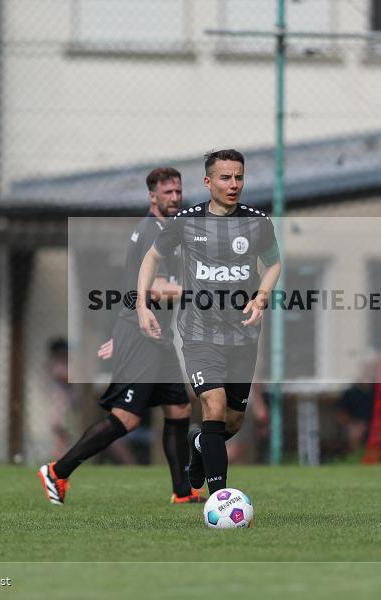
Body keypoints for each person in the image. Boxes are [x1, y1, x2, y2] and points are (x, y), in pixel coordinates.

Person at [39, 167, 204, 505]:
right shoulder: (149, 233)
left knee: (178, 410)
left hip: (152, 336)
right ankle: (58, 471)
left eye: (178, 192)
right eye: (167, 193)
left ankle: (182, 492)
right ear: (152, 196)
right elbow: (154, 289)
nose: (175, 198)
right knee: (125, 419)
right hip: (142, 337)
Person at [137, 149, 281, 495]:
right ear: (208, 181)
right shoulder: (186, 222)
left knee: (230, 422)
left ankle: (199, 442)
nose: (234, 185)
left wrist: (261, 296)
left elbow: (273, 264)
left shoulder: (258, 223)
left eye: (239, 177)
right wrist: (143, 306)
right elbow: (151, 258)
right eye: (225, 178)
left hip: (243, 336)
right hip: (200, 334)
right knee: (213, 405)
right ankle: (219, 497)